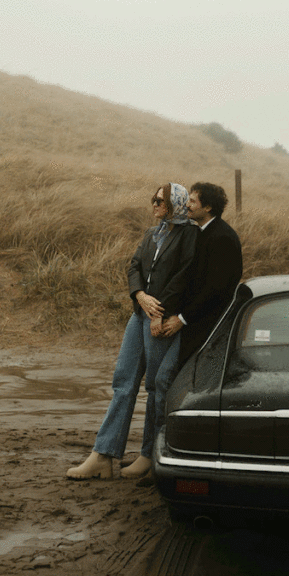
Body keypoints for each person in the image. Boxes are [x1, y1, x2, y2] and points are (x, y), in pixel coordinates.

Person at [66, 182, 197, 481]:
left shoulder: (189, 235)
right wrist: (139, 295)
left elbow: (185, 276)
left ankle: (148, 456)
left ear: (174, 204)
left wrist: (159, 312)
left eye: (159, 201)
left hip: (160, 319)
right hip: (139, 314)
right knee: (123, 382)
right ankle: (103, 454)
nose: (153, 205)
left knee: (154, 387)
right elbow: (134, 265)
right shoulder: (152, 233)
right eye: (153, 200)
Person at [161, 182, 243, 367]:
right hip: (195, 321)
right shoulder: (203, 232)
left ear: (207, 207)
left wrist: (182, 319)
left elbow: (215, 289)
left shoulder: (222, 238)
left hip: (208, 326)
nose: (187, 205)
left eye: (192, 201)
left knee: (175, 376)